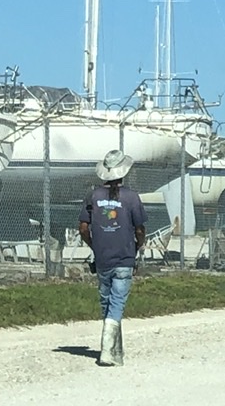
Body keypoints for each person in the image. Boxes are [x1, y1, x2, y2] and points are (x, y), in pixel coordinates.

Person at [78, 149, 146, 367]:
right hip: (125, 256)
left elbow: (83, 228)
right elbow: (139, 229)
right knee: (116, 303)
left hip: (103, 258)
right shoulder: (132, 197)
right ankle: (107, 350)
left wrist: (94, 245)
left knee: (107, 302)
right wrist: (139, 246)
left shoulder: (93, 196)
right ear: (123, 172)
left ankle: (116, 351)